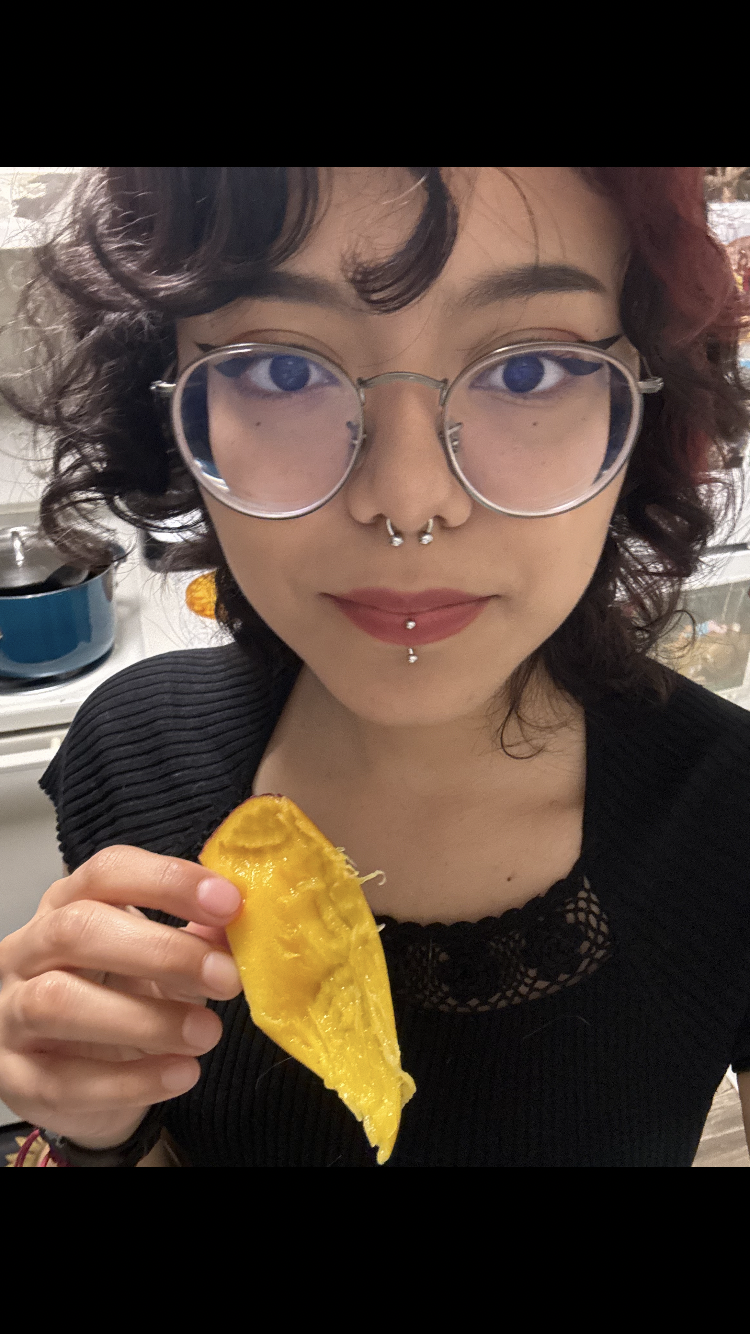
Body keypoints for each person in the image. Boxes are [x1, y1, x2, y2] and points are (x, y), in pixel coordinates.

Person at [1, 167, 749, 1168]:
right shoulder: (129, 748)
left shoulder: (733, 819)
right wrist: (97, 1127)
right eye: (282, 372)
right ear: (174, 404)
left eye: (528, 370)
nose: (406, 498)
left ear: (643, 410)